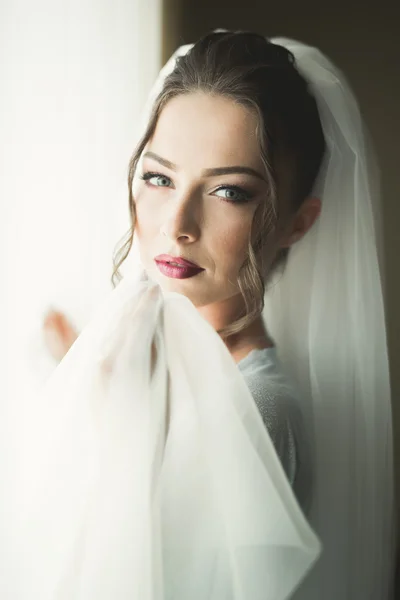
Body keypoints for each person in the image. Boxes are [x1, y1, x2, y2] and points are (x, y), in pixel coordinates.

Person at [27, 29, 392, 600]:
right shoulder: (158, 358)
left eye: (228, 192)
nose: (177, 224)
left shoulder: (262, 417)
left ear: (299, 221)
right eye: (159, 178)